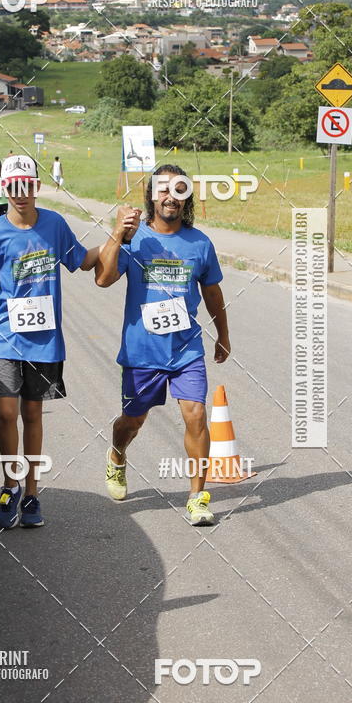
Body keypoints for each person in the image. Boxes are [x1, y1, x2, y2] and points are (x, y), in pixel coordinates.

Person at [0, 154, 100, 530]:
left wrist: (116, 239)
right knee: (7, 413)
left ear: (36, 187)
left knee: (33, 415)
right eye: (13, 187)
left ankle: (32, 492)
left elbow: (83, 261)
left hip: (44, 341)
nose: (20, 194)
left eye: (27, 186)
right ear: (4, 189)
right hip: (5, 336)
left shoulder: (54, 225)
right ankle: (9, 486)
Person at [95, 165, 231, 527]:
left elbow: (213, 292)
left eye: (179, 189)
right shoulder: (135, 238)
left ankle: (197, 497)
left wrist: (224, 334)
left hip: (186, 349)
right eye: (163, 189)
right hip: (142, 351)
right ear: (152, 195)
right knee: (133, 421)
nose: (171, 196)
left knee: (197, 415)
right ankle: (117, 455)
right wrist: (117, 235)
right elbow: (104, 278)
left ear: (186, 196)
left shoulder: (199, 243)